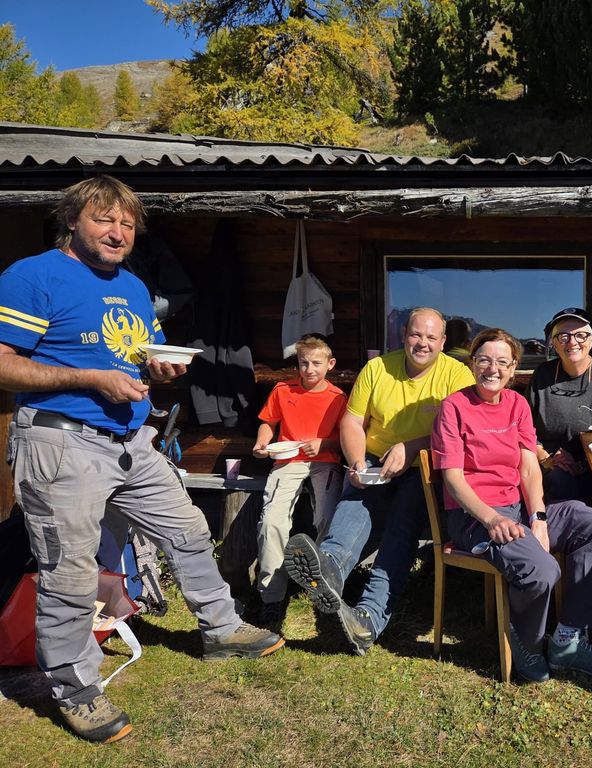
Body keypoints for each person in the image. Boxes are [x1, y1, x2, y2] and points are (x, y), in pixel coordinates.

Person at [0, 176, 283, 744]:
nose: (119, 232)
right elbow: (4, 363)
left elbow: (141, 353)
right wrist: (89, 378)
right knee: (70, 570)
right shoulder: (33, 276)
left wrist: (159, 369)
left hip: (131, 443)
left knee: (188, 531)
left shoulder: (130, 285)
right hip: (62, 442)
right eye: (106, 219)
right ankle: (75, 687)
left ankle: (220, 628)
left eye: (128, 224)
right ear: (73, 220)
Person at [432, 328, 592, 682]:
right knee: (543, 570)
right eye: (484, 360)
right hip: (475, 517)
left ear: (513, 367)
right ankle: (527, 640)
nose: (493, 369)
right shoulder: (453, 407)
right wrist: (491, 518)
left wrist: (538, 516)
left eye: (502, 362)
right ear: (472, 363)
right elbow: (453, 479)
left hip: (519, 509)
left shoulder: (517, 404)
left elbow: (528, 465)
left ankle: (567, 639)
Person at [283, 307, 475, 655]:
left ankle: (369, 617)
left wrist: (412, 446)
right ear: (404, 335)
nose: (423, 343)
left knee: (402, 523)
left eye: (432, 337)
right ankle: (328, 570)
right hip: (373, 458)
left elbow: (459, 432)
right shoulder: (378, 367)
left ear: (443, 342)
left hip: (424, 465)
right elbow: (353, 422)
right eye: (416, 335)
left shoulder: (457, 374)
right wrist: (356, 463)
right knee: (355, 500)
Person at [251, 333, 348, 628]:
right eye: (304, 363)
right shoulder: (283, 390)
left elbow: (345, 438)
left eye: (316, 363)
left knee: (328, 519)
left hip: (324, 462)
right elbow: (268, 422)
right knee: (272, 522)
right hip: (287, 460)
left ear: (329, 364)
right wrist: (261, 443)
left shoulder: (337, 398)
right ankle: (272, 597)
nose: (309, 369)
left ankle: (324, 587)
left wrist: (324, 444)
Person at [526, 307, 592, 502]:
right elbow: (525, 427)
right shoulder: (542, 375)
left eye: (581, 335)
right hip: (549, 463)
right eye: (563, 336)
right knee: (560, 480)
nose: (572, 342)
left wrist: (584, 463)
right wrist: (547, 458)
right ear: (554, 343)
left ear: (591, 340)